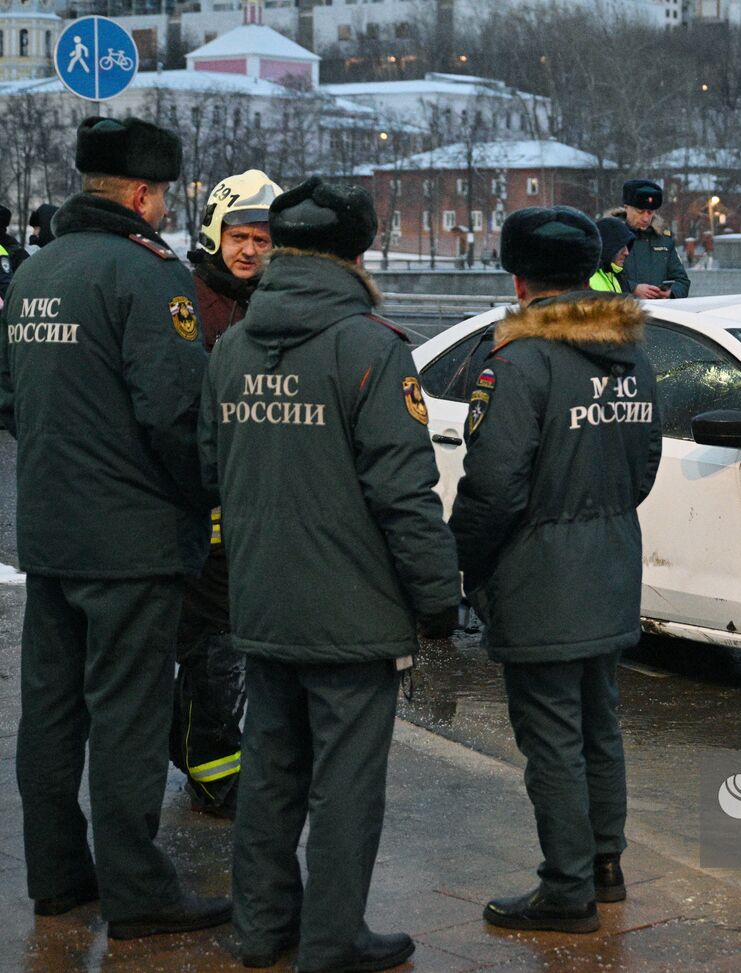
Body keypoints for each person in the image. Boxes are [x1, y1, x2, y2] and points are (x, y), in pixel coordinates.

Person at [200, 177, 459, 972]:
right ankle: (332, 937)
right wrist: (440, 598)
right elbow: (403, 493)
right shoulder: (370, 346)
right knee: (345, 783)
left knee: (271, 769)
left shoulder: (234, 345)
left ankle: (261, 926)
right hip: (351, 611)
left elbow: (213, 468)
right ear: (360, 251)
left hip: (263, 601)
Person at [0, 115, 231, 938]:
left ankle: (58, 876)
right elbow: (174, 411)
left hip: (53, 532)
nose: (165, 208)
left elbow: (11, 400)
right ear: (142, 193)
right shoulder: (148, 274)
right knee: (128, 717)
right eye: (163, 194)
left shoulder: (35, 271)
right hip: (132, 541)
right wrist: (203, 494)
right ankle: (139, 892)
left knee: (53, 712)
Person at [450, 206, 661, 934]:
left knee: (551, 738)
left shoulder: (517, 361)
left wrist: (460, 567)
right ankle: (605, 865)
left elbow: (493, 486)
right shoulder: (631, 352)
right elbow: (645, 467)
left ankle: (565, 888)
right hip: (609, 566)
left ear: (519, 280)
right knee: (599, 724)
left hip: (538, 575)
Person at [170, 168, 283, 821]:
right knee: (214, 639)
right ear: (215, 233)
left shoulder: (273, 304)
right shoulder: (188, 302)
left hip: (259, 509)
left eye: (262, 240)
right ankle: (212, 771)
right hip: (205, 507)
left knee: (233, 641)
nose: (249, 250)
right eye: (239, 235)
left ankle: (207, 754)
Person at [612, 178, 689, 299]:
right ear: (626, 207)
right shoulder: (611, 236)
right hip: (624, 312)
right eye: (640, 211)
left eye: (650, 212)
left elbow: (682, 281)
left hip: (659, 312)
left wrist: (671, 293)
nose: (646, 218)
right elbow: (600, 278)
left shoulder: (664, 239)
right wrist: (633, 289)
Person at [589, 215, 634, 294]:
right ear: (609, 246)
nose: (626, 252)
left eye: (627, 246)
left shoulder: (618, 277)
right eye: (621, 246)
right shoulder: (587, 279)